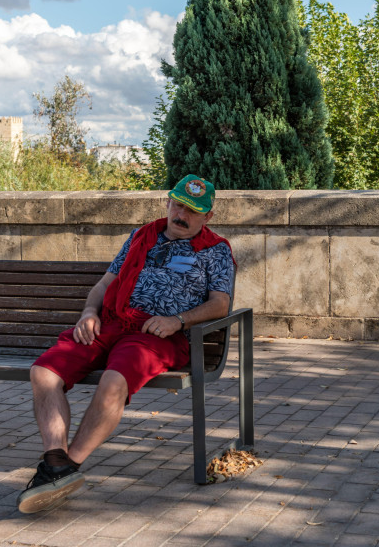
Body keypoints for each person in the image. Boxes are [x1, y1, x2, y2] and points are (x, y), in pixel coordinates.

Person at [17, 174, 235, 513]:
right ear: (168, 202)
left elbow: (221, 303)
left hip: (157, 336)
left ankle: (64, 468)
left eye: (193, 211)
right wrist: (90, 311)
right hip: (111, 322)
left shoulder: (215, 251)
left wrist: (177, 320)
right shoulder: (140, 237)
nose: (182, 215)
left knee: (113, 382)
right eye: (178, 205)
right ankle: (56, 463)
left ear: (207, 217)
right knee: (43, 373)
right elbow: (105, 284)